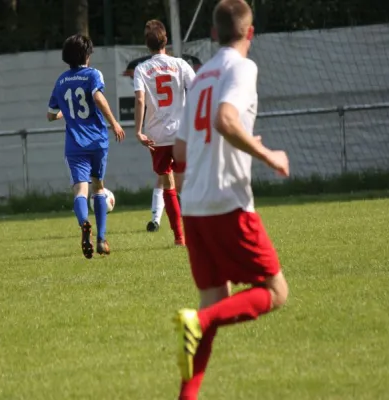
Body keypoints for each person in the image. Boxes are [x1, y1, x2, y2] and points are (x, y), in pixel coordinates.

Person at [172, 1, 290, 398]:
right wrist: (268, 154)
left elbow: (180, 154)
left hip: (193, 207)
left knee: (212, 302)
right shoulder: (243, 67)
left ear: (212, 33)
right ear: (250, 34)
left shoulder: (201, 75)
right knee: (275, 292)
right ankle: (200, 323)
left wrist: (238, 146)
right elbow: (225, 120)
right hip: (228, 203)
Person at [47, 34, 125, 259]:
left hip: (75, 144)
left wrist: (63, 113)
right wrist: (114, 122)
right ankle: (101, 239)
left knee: (80, 191)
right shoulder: (93, 74)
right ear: (87, 55)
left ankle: (84, 223)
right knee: (99, 187)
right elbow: (97, 98)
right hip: (97, 141)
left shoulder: (61, 81)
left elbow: (50, 115)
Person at [133, 20, 196, 246]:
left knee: (167, 184)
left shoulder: (141, 69)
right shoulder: (180, 64)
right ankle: (197, 231)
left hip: (157, 136)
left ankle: (179, 237)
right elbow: (197, 87)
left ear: (146, 44)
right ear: (165, 40)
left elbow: (140, 99)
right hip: (181, 134)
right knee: (185, 185)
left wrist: (138, 130)